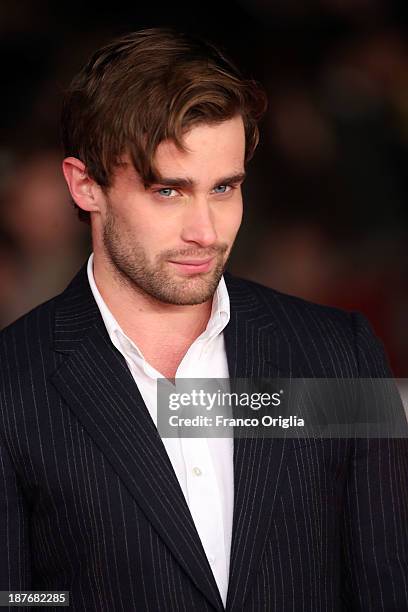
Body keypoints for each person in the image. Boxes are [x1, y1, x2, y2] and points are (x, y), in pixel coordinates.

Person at [0, 28, 407, 612]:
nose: (207, 231)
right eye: (169, 191)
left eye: (224, 188)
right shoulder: (13, 384)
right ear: (85, 185)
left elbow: (387, 585)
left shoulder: (338, 354)